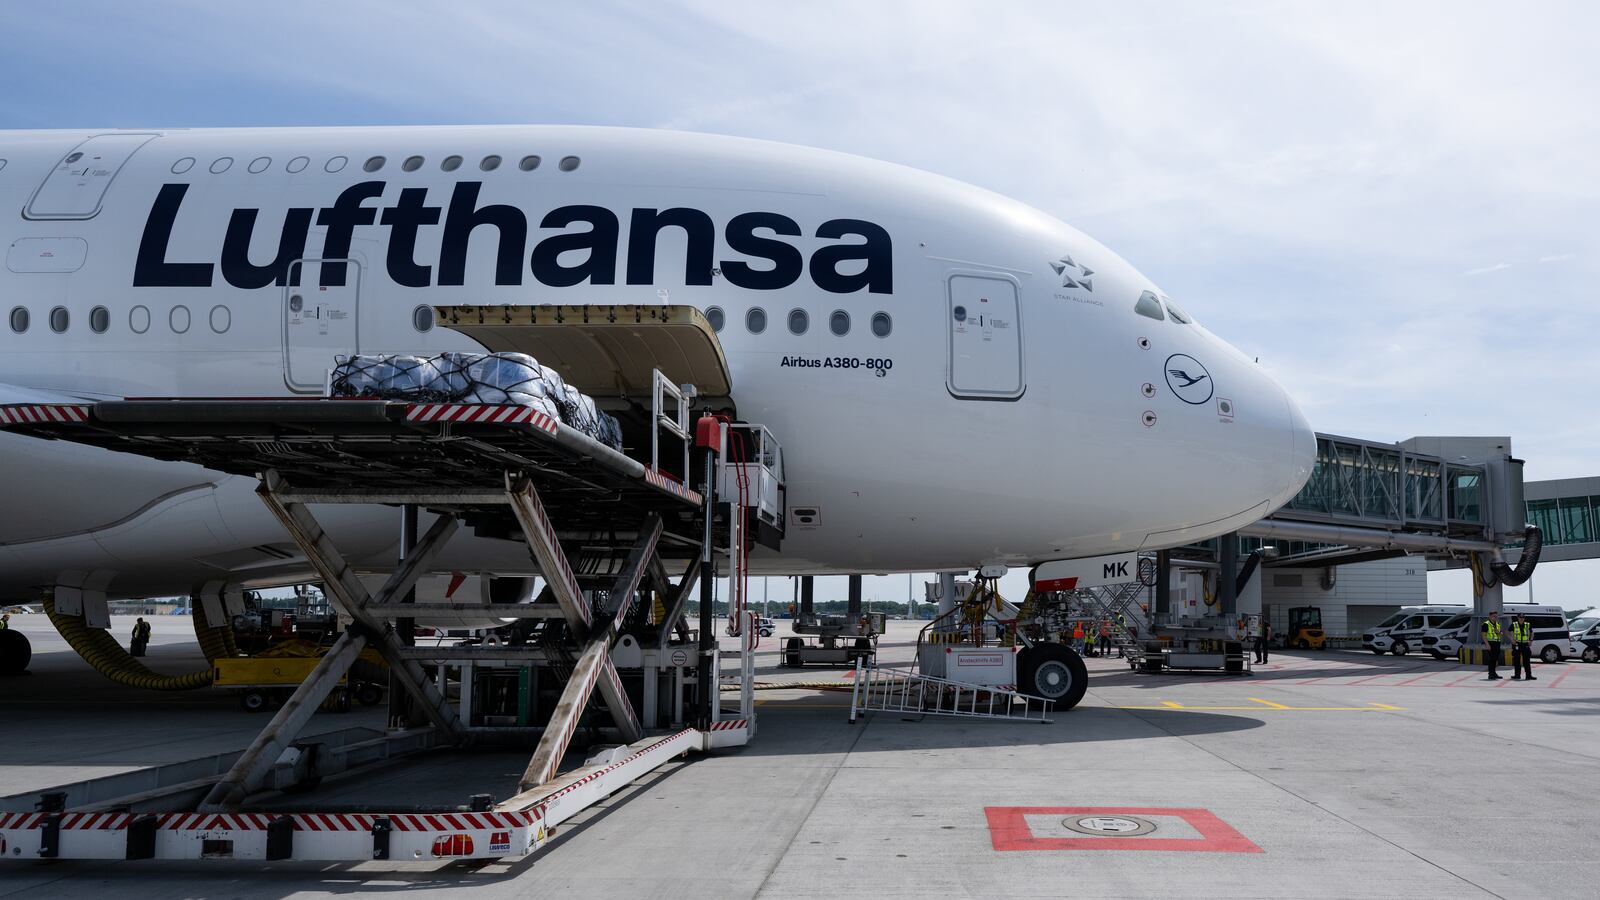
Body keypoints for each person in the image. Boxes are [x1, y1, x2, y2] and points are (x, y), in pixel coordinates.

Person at [1510, 612, 1535, 681]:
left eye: (1523, 617)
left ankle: (1528, 675)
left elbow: (1532, 633)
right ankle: (1517, 675)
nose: (1522, 619)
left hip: (1525, 645)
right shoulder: (1514, 624)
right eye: (1520, 617)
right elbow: (1508, 632)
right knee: (1517, 661)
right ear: (1518, 618)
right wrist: (1512, 639)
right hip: (1517, 645)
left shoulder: (1527, 625)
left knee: (1526, 661)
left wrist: (1531, 640)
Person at [1482, 611, 1502, 680]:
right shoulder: (1486, 624)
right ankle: (1490, 674)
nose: (1496, 618)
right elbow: (1483, 635)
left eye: (1496, 616)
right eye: (1494, 616)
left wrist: (1499, 632)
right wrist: (1487, 644)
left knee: (1495, 659)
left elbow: (1501, 633)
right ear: (1490, 617)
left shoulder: (1497, 623)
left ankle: (1494, 673)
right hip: (1490, 643)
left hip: (1497, 643)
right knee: (1492, 659)